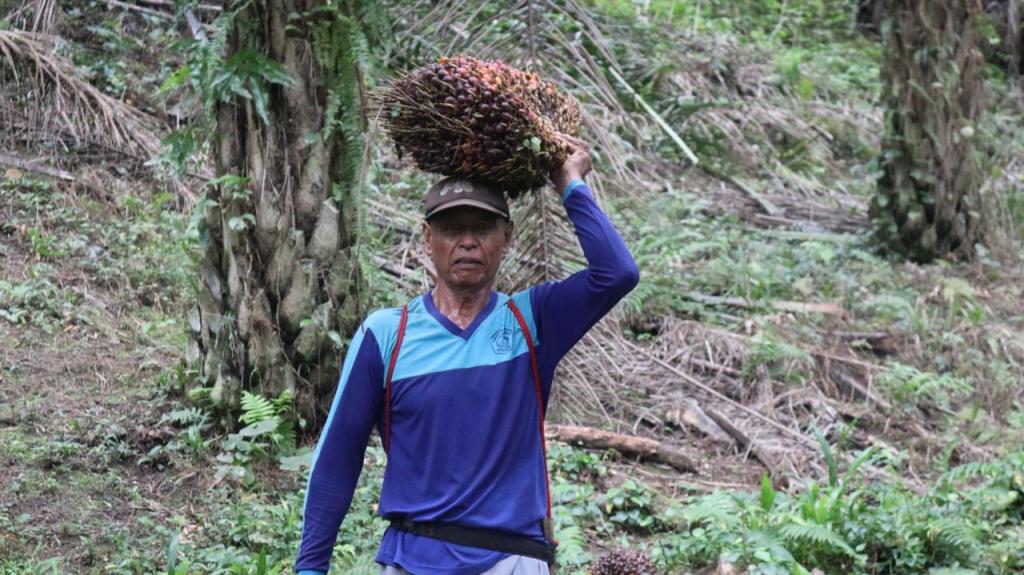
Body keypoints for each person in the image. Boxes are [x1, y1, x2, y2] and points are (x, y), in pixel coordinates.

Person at [295, 136, 639, 575]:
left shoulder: (531, 324)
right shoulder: (387, 335)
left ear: (507, 237)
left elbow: (617, 274)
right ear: (428, 238)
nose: (468, 242)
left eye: (483, 227)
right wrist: (310, 568)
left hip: (512, 560)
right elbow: (338, 457)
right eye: (452, 229)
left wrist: (569, 182)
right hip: (411, 559)